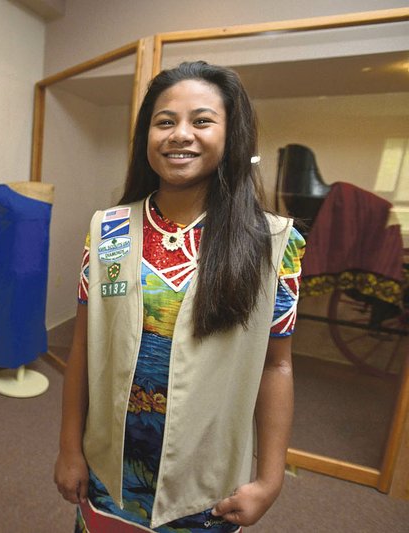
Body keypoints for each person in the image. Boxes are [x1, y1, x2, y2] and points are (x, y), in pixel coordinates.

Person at [54, 61, 305, 532]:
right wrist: (70, 449)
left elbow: (278, 366)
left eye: (202, 120)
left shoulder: (275, 242)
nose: (180, 134)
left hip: (206, 486)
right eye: (165, 121)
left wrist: (270, 480)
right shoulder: (106, 229)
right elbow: (85, 349)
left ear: (232, 136)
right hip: (109, 471)